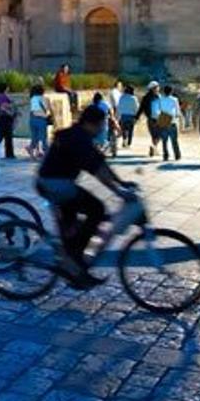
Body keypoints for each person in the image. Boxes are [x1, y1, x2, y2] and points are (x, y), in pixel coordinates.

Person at [35, 105, 136, 288]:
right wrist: (119, 192)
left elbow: (100, 163)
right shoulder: (78, 139)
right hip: (54, 184)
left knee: (74, 225)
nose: (102, 129)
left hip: (58, 183)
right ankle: (76, 260)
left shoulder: (80, 134)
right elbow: (98, 171)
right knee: (97, 209)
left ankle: (75, 271)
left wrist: (121, 183)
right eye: (101, 125)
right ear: (92, 124)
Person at [152, 85, 182, 161]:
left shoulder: (160, 99)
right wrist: (176, 116)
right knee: (174, 140)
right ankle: (177, 155)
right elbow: (178, 112)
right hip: (172, 122)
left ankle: (165, 155)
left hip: (163, 122)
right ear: (171, 91)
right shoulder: (174, 99)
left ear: (164, 91)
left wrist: (160, 118)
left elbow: (156, 111)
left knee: (164, 141)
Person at [26, 84, 52, 159]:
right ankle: (47, 154)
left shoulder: (33, 99)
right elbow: (48, 109)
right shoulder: (45, 99)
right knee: (43, 138)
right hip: (41, 120)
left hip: (32, 119)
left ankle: (31, 149)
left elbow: (33, 111)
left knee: (35, 138)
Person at [0, 82, 17, 159]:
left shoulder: (2, 96)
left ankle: (9, 154)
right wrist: (10, 113)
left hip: (3, 118)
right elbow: (2, 107)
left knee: (5, 135)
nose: (8, 88)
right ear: (5, 88)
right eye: (7, 87)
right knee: (4, 135)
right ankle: (9, 154)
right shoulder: (3, 96)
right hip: (4, 118)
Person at [139, 81, 161, 156]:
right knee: (159, 134)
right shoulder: (158, 97)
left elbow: (141, 108)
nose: (158, 88)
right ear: (154, 88)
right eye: (157, 87)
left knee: (153, 134)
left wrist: (136, 117)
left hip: (150, 119)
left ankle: (154, 148)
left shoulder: (145, 97)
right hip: (158, 118)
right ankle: (154, 147)